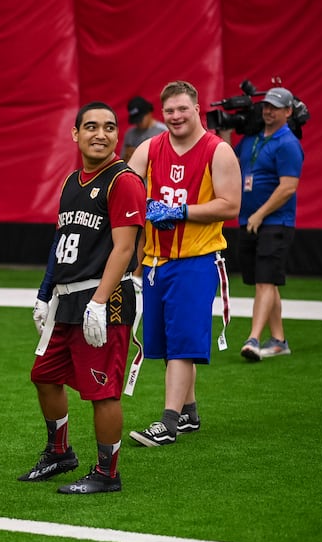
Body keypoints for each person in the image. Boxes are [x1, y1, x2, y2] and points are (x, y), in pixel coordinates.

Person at [21, 101, 145, 494]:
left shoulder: (123, 181)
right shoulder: (70, 181)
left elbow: (125, 248)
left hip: (104, 299)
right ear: (75, 134)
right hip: (67, 300)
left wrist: (99, 300)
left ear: (117, 135)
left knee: (102, 390)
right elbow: (61, 241)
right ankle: (60, 453)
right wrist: (44, 294)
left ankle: (108, 473)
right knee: (44, 375)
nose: (100, 134)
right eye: (91, 126)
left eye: (109, 127)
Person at [127, 80, 241, 447]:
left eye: (182, 109)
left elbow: (231, 204)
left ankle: (168, 422)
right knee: (168, 343)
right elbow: (126, 187)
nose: (176, 116)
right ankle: (189, 413)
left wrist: (180, 211)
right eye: (169, 111)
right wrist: (143, 205)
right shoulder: (149, 147)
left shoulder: (217, 151)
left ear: (196, 109)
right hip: (155, 262)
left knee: (181, 345)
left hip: (196, 260)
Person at [233, 87, 303, 361]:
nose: (268, 111)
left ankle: (253, 339)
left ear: (288, 111)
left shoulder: (288, 143)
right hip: (250, 220)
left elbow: (288, 187)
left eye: (275, 107)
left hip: (275, 222)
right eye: (265, 106)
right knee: (266, 281)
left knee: (264, 281)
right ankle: (279, 340)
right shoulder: (252, 139)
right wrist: (225, 131)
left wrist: (260, 214)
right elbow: (230, 160)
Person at [122, 96, 167, 162]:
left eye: (140, 119)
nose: (138, 123)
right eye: (135, 120)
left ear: (149, 113)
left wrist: (139, 154)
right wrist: (127, 157)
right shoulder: (130, 134)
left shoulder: (163, 131)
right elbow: (121, 161)